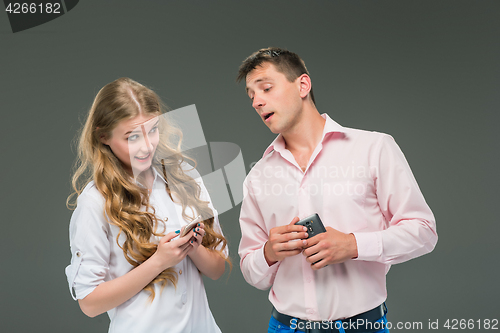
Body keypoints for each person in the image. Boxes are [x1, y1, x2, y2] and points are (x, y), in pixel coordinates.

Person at [237, 47, 438, 333]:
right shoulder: (257, 176)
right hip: (285, 327)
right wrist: (269, 252)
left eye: (266, 88)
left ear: (302, 85)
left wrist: (354, 245)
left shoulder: (374, 149)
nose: (257, 101)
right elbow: (250, 271)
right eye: (251, 96)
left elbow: (424, 232)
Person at [65, 77, 230, 333]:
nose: (147, 146)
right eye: (132, 137)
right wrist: (158, 262)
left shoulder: (185, 177)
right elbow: (89, 303)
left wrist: (194, 248)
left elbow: (218, 269)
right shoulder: (96, 201)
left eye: (152, 130)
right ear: (103, 136)